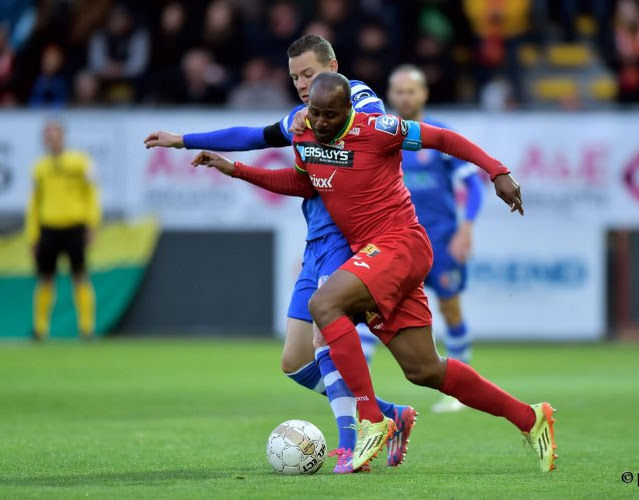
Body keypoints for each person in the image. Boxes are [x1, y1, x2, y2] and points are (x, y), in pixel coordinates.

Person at [191, 72, 557, 474]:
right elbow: (301, 181)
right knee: (424, 369)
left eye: (331, 115)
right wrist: (237, 169)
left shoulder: (379, 129)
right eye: (315, 113)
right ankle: (529, 416)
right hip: (375, 255)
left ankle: (371, 418)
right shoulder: (305, 136)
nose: (322, 122)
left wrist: (497, 171)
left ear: (348, 110)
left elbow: (446, 140)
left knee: (324, 304)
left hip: (401, 242)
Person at [143, 35, 415, 474]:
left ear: (332, 66)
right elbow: (253, 135)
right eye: (295, 78)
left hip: (349, 239)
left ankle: (352, 447)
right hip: (316, 242)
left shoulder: (357, 100)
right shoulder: (303, 118)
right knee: (294, 361)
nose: (303, 85)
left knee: (326, 339)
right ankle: (389, 414)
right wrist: (183, 139)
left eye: (309, 74)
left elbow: (372, 122)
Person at [375, 64, 483, 413]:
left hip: (440, 240)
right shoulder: (379, 134)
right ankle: (356, 386)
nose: (405, 96)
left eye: (411, 90)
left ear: (423, 94)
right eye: (399, 91)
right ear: (390, 95)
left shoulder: (439, 134)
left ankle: (458, 389)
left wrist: (467, 227)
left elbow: (473, 184)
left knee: (450, 307)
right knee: (367, 307)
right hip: (393, 241)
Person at [25, 119, 100, 340]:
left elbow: (92, 195)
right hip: (48, 228)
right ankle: (40, 330)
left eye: (53, 131)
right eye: (46, 132)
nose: (49, 136)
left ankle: (86, 329)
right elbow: (34, 203)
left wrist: (92, 224)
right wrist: (32, 235)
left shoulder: (80, 162)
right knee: (45, 278)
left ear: (62, 135)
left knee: (80, 276)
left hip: (74, 227)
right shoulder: (40, 167)